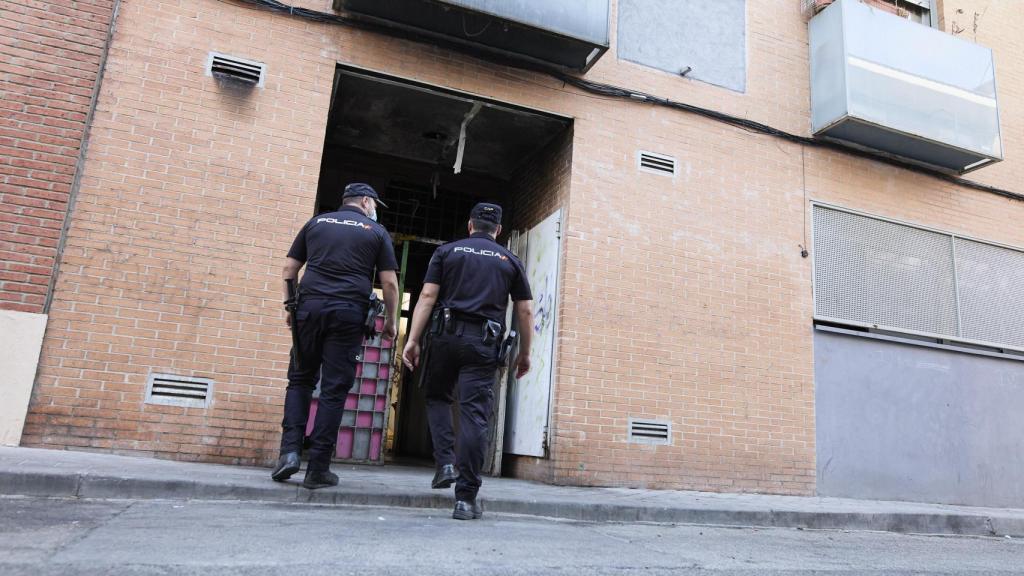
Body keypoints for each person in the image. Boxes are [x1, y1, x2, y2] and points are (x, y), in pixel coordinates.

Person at [402, 202, 533, 520]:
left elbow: (428, 297)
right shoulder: (509, 260)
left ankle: (445, 461)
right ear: (498, 231)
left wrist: (413, 339)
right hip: (483, 344)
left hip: (445, 338)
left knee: (436, 396)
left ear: (470, 225)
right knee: (475, 416)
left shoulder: (447, 252)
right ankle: (464, 499)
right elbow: (525, 310)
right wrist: (525, 353)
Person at [272, 183, 399, 489]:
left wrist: (291, 307)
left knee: (300, 380)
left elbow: (290, 269)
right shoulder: (375, 231)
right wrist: (391, 322)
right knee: (334, 389)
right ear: (366, 201)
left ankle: (289, 454)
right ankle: (317, 468)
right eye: (374, 204)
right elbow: (390, 284)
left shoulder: (315, 223)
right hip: (348, 312)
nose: (375, 209)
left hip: (309, 308)